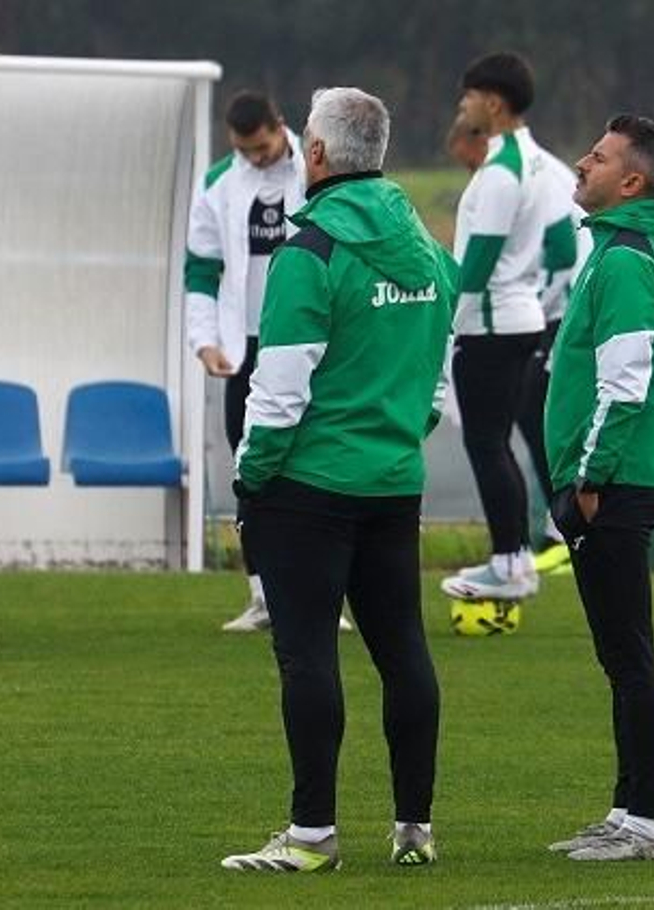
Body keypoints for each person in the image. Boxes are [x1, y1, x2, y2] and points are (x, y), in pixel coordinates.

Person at [220, 87, 456, 873]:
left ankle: (313, 834)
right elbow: (437, 381)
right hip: (394, 481)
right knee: (403, 651)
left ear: (315, 155)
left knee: (308, 656)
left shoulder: (310, 251)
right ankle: (415, 829)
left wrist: (250, 478)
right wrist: (397, 435)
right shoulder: (428, 250)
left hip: (309, 488)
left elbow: (279, 389)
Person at [543, 114, 654, 862]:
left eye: (596, 157)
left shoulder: (629, 261)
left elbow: (624, 385)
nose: (580, 161)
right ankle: (628, 810)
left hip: (615, 485)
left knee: (629, 656)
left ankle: (644, 823)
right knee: (621, 656)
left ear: (630, 182)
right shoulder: (617, 253)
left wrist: (590, 479)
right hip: (612, 481)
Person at [186, 91, 352, 633]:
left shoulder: (321, 173)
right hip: (248, 346)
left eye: (260, 147)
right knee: (252, 471)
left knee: (321, 465)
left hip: (311, 341)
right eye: (243, 150)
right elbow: (201, 270)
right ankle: (262, 594)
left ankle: (330, 596)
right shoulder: (217, 184)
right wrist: (204, 339)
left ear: (282, 128)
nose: (254, 158)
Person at [438, 52, 556, 606]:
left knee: (487, 445)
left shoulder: (503, 170)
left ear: (493, 102)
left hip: (491, 326)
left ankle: (509, 564)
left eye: (468, 96)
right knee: (498, 445)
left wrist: (440, 320)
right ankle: (515, 560)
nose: (462, 105)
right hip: (520, 318)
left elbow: (476, 267)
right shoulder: (528, 158)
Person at [517, 134, 592, 578]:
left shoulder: (538, 176)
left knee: (539, 413)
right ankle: (559, 529)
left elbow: (563, 253)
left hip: (564, 315)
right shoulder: (525, 172)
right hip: (549, 314)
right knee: (532, 414)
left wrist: (534, 307)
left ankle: (566, 531)